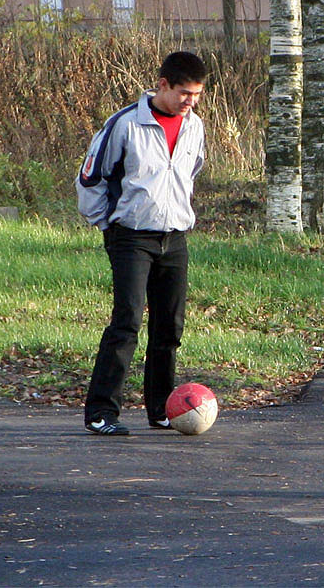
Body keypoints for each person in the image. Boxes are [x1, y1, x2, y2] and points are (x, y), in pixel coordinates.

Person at [76, 51, 207, 435]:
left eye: (197, 95)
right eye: (185, 93)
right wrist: (108, 225)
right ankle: (102, 412)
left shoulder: (194, 126)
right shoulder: (124, 124)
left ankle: (163, 409)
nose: (191, 102)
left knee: (170, 327)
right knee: (127, 322)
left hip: (175, 237)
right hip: (131, 237)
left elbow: (191, 170)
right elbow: (90, 179)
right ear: (163, 84)